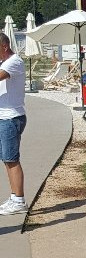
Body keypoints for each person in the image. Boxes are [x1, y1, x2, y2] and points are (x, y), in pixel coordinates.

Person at [0, 31, 27, 214]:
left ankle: (19, 200)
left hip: (11, 117)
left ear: (4, 47)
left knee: (12, 159)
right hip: (5, 117)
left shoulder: (14, 62)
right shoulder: (5, 61)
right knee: (6, 159)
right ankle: (14, 196)